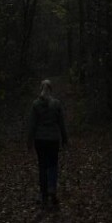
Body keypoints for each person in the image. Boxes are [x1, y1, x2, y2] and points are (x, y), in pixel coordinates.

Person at [27, 79, 68, 207]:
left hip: (40, 140)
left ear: (41, 89)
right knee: (53, 166)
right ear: (51, 89)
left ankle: (43, 193)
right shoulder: (57, 104)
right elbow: (61, 123)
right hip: (53, 140)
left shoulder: (36, 104)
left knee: (42, 166)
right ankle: (52, 190)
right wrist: (64, 137)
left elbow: (32, 125)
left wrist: (29, 140)